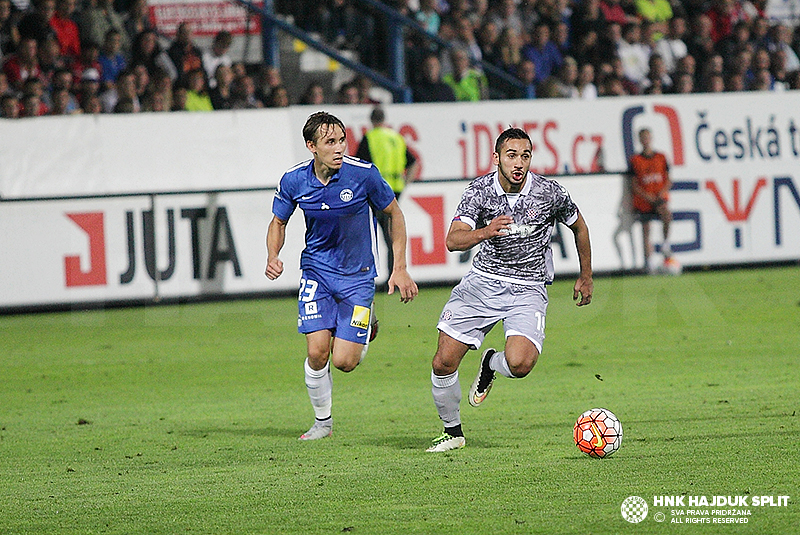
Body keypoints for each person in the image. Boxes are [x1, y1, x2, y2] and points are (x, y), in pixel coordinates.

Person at [426, 127, 593, 452]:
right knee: (442, 363)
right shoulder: (479, 192)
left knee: (520, 364)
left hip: (528, 287)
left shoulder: (549, 192)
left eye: (525, 155)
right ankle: (453, 432)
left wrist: (586, 275)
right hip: (483, 284)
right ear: (496, 158)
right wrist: (485, 231)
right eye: (511, 155)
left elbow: (579, 226)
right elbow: (452, 240)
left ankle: (491, 364)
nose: (519, 163)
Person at [266, 111, 419, 441]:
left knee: (345, 362)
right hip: (317, 273)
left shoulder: (362, 174)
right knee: (317, 351)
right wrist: (273, 255)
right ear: (312, 146)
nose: (339, 149)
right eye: (330, 142)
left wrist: (400, 267)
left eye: (342, 141)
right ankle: (323, 423)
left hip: (358, 278)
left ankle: (366, 326)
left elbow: (394, 213)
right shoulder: (294, 181)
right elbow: (278, 222)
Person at [355, 106, 419, 277]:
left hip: (375, 192)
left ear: (371, 121)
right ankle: (396, 274)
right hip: (395, 192)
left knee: (365, 234)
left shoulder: (370, 138)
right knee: (392, 236)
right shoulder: (396, 137)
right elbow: (413, 163)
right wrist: (404, 184)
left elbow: (359, 167)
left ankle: (363, 276)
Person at [627, 127, 673, 272]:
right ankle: (650, 262)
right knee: (646, 229)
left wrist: (663, 191)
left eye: (648, 137)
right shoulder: (636, 160)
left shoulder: (661, 157)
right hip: (644, 200)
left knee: (667, 215)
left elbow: (668, 179)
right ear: (640, 140)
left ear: (651, 138)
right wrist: (646, 196)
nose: (646, 141)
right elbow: (634, 184)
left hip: (658, 196)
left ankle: (665, 244)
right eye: (643, 138)